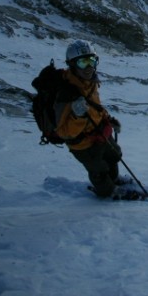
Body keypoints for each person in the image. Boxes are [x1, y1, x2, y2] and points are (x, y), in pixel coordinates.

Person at [54, 39, 123, 198]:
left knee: (114, 155)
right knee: (98, 169)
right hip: (83, 143)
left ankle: (114, 181)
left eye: (91, 61)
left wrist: (108, 119)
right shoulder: (65, 92)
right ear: (72, 64)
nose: (89, 67)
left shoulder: (90, 82)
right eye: (83, 62)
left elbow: (95, 107)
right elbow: (64, 132)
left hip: (99, 132)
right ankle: (108, 192)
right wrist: (77, 116)